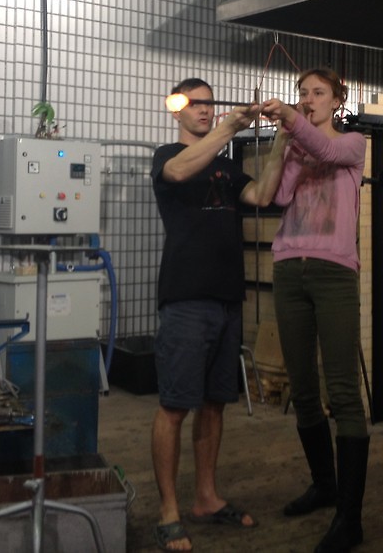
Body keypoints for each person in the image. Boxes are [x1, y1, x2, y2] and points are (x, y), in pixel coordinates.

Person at [150, 78, 286, 552]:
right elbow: (179, 172)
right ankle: (168, 510)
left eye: (210, 103)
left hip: (228, 299)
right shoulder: (168, 156)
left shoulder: (227, 168)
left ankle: (205, 497)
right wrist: (230, 128)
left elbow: (263, 196)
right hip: (186, 299)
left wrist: (284, 135)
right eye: (195, 104)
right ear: (177, 111)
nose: (205, 110)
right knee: (174, 406)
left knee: (214, 404)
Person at [262, 68, 369, 553]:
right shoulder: (298, 145)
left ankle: (350, 518)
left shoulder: (352, 144)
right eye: (302, 93)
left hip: (333, 273)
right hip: (289, 269)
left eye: (318, 93)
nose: (308, 99)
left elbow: (325, 149)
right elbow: (280, 196)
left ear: (336, 101)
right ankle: (325, 485)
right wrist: (284, 142)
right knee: (302, 389)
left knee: (343, 392)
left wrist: (291, 120)